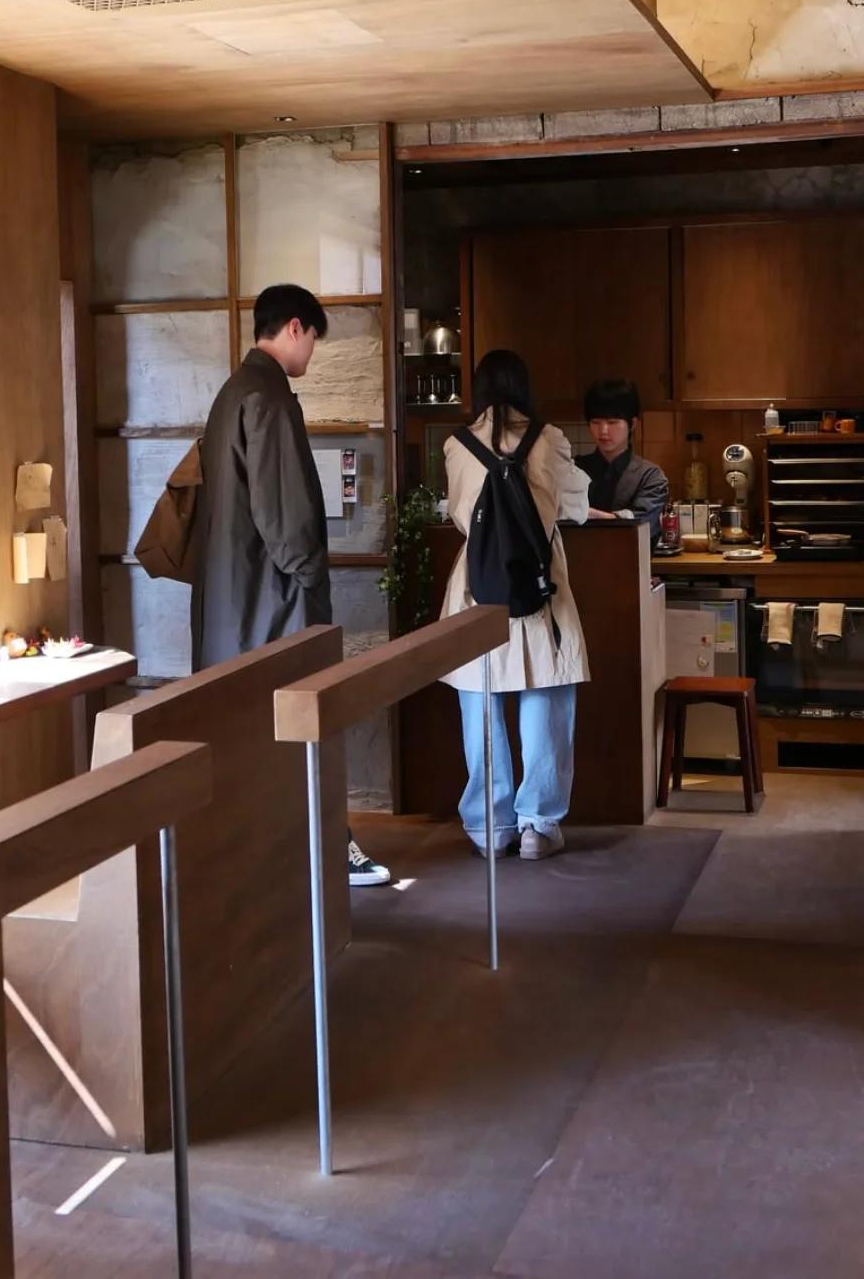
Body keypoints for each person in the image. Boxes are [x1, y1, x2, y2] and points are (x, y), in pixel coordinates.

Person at [190, 282, 390, 887]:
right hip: (275, 607)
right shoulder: (269, 397)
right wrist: (309, 579)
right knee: (305, 730)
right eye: (314, 342)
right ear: (297, 328)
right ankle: (328, 849)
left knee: (255, 741)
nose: (313, 358)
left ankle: (273, 856)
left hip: (235, 603)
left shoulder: (233, 393)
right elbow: (285, 516)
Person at [439, 350, 590, 860]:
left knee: (480, 701)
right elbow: (575, 508)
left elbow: (461, 517)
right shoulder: (550, 439)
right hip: (539, 583)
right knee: (544, 695)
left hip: (475, 589)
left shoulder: (456, 446)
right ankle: (537, 826)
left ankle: (489, 827)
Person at [576, 378, 669, 542]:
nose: (603, 431)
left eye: (612, 422)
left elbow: (643, 522)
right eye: (596, 422)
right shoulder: (574, 469)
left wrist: (590, 515)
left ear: (632, 424)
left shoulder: (650, 476)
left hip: (632, 564)